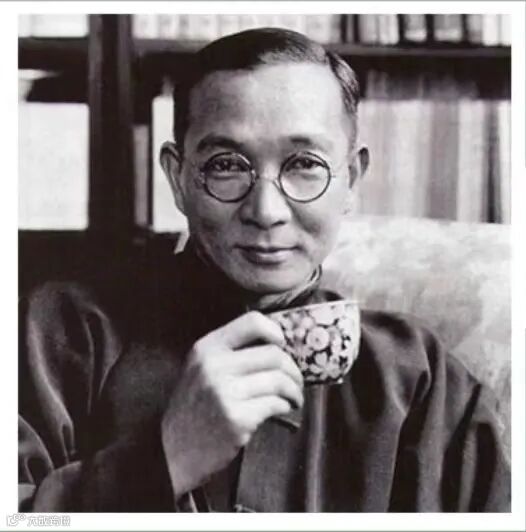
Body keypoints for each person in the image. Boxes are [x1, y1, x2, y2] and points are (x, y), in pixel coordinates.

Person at [18, 28, 510, 512]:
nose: (266, 211)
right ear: (178, 178)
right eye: (226, 166)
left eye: (304, 164)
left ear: (352, 179)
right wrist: (163, 461)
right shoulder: (63, 333)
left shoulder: (419, 377)